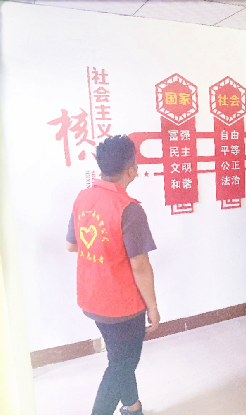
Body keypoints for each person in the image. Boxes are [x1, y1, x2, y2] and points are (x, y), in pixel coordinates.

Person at [66, 135, 159, 416]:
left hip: (91, 297)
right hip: (122, 306)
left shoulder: (84, 197)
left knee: (119, 358)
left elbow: (72, 245)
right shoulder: (129, 209)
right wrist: (153, 307)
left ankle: (132, 407)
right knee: (122, 364)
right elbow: (140, 265)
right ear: (131, 169)